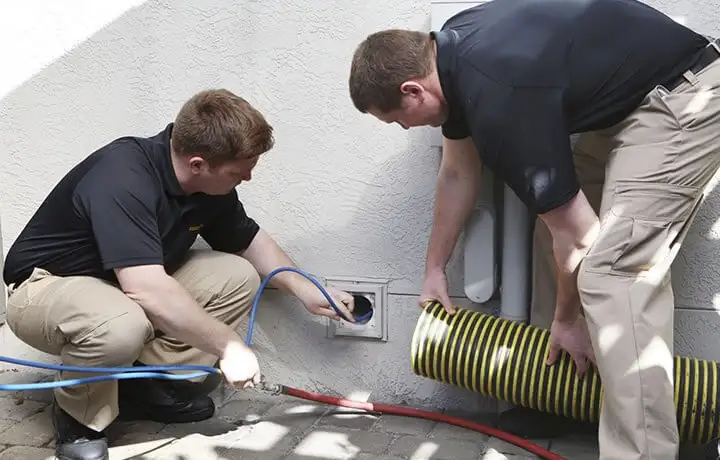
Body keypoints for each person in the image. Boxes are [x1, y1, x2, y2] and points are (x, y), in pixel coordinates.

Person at [347, 0, 720, 458]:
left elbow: (580, 236)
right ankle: (558, 391)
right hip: (629, 101)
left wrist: (567, 318)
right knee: (551, 233)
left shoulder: (499, 98)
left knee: (614, 274)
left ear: (412, 91)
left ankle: (642, 452)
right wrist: (434, 270)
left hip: (683, 97)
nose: (404, 126)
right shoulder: (451, 52)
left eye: (395, 118)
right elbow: (458, 173)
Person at [2, 88, 356, 460]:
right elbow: (146, 289)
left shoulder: (207, 186)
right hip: (45, 288)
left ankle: (142, 388)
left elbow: (248, 241)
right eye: (239, 171)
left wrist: (306, 289)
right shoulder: (123, 178)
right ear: (199, 163)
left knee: (237, 275)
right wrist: (229, 347)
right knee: (120, 324)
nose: (249, 177)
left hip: (119, 288)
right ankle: (80, 419)